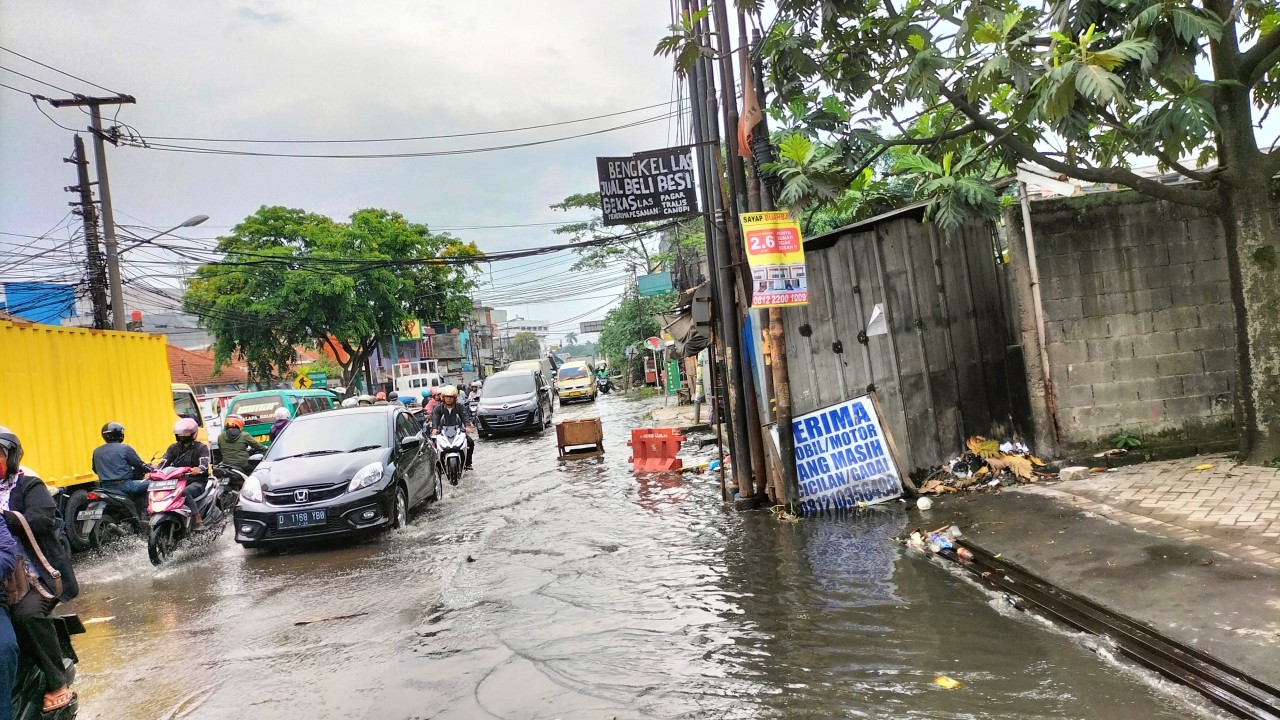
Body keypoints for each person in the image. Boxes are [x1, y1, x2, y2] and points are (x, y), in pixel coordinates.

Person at [0, 427, 78, 714]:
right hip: (2, 579)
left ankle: (56, 682)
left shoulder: (28, 485)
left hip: (35, 576)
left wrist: (6, 519)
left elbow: (42, 519)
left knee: (26, 614)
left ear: (12, 456)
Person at [161, 418, 211, 524]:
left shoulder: (201, 447)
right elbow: (164, 462)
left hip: (196, 481)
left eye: (186, 433)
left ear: (193, 434)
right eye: (180, 433)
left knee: (184, 491)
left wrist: (200, 469)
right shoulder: (173, 448)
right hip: (177, 481)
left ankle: (197, 518)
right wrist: (153, 471)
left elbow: (204, 462)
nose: (183, 435)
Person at [91, 422, 152, 505]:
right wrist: (151, 469)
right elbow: (139, 465)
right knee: (151, 483)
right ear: (120, 434)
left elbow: (95, 469)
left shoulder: (96, 451)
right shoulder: (125, 448)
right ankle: (145, 513)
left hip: (105, 487)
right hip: (125, 486)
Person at [430, 386, 475, 469]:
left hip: (458, 431)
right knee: (433, 446)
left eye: (451, 397)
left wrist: (467, 426)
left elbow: (465, 416)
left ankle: (468, 463)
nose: (449, 399)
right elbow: (435, 419)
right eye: (447, 397)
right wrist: (435, 428)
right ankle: (439, 466)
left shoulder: (459, 406)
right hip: (443, 432)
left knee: (470, 442)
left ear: (455, 398)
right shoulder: (438, 408)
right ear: (443, 397)